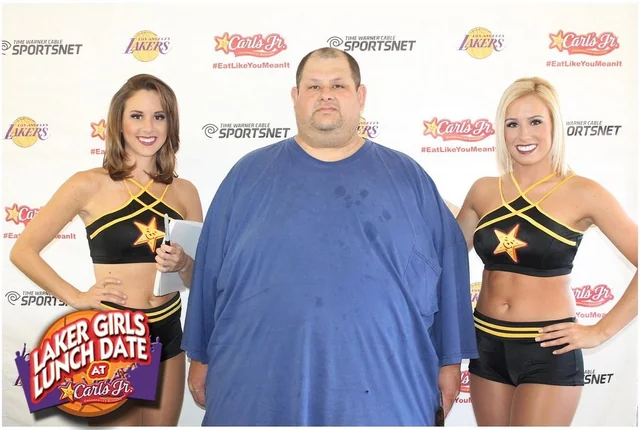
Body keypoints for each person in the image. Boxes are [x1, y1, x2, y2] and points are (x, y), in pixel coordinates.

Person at [181, 47, 478, 426]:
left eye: (338, 85)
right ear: (295, 97)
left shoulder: (408, 178)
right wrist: (200, 354)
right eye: (314, 86)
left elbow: (450, 268)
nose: (326, 95)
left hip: (384, 391)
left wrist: (450, 361)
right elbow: (209, 270)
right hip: (257, 386)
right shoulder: (247, 175)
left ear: (360, 95)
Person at [10, 74, 203, 426]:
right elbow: (23, 251)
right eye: (137, 116)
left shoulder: (185, 191)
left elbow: (195, 279)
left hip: (169, 331)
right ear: (118, 122)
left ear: (170, 123)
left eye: (159, 116)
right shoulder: (88, 184)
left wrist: (184, 263)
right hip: (113, 337)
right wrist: (76, 297)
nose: (148, 127)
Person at [456, 77, 638, 426]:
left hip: (548, 350)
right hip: (487, 344)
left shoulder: (584, 192)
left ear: (555, 125)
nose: (523, 135)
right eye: (512, 124)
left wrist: (601, 330)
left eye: (535, 121)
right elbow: (444, 252)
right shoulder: (483, 191)